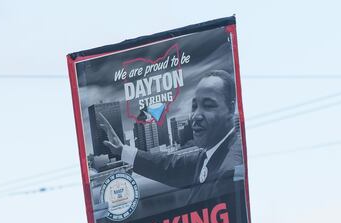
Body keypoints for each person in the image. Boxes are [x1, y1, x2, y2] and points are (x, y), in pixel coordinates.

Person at [94, 70, 240, 193]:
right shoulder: (207, 155)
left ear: (230, 108)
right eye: (194, 106)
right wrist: (122, 150)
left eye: (208, 105)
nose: (196, 116)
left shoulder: (230, 170)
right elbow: (166, 166)